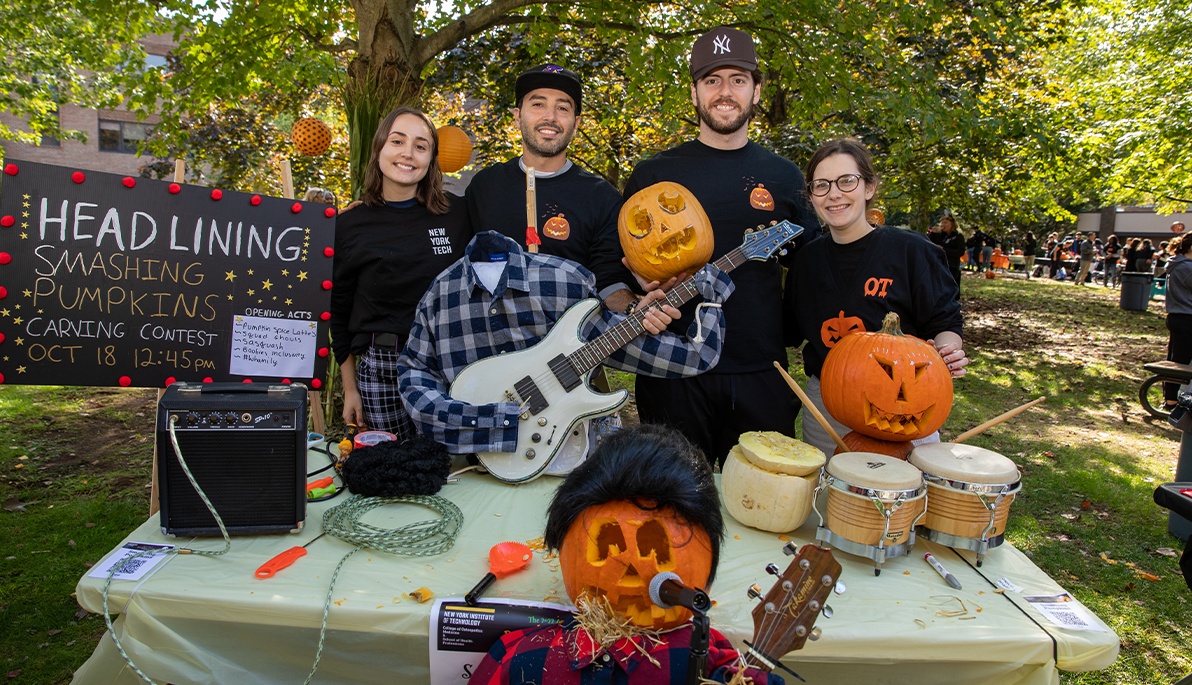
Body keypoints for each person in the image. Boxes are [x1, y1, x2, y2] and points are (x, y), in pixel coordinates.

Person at [619, 26, 820, 467]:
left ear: (756, 91)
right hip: (671, 366)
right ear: (694, 93)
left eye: (737, 79)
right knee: (671, 498)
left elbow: (817, 266)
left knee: (763, 502)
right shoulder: (653, 175)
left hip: (761, 371)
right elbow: (621, 265)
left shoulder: (785, 176)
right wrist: (636, 295)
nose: (724, 91)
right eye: (712, 80)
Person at [472, 424, 783, 685]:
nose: (630, 573)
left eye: (656, 549)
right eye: (607, 547)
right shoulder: (523, 661)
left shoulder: (517, 657)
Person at [396, 231, 733, 459]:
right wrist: (484, 421)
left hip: (565, 462)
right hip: (468, 466)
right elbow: (415, 372)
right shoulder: (441, 292)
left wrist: (710, 302)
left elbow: (691, 357)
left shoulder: (563, 280)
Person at [785, 138, 967, 457]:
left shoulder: (913, 252)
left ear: (869, 188)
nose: (834, 194)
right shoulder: (806, 260)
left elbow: (945, 322)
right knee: (833, 501)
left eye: (846, 181)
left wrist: (948, 350)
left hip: (904, 401)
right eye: (821, 185)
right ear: (811, 196)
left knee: (900, 502)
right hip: (830, 403)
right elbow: (788, 330)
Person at [329, 107, 473, 438]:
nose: (408, 153)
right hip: (381, 369)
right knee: (391, 475)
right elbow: (337, 313)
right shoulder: (349, 225)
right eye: (397, 141)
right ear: (379, 148)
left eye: (421, 146)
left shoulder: (458, 214)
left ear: (432, 158)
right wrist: (350, 389)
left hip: (450, 364)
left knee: (454, 472)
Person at [464, 64, 637, 313]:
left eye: (562, 108)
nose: (551, 117)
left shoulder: (602, 198)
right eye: (538, 104)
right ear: (517, 115)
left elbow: (609, 283)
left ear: (575, 123)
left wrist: (635, 311)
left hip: (567, 347)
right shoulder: (485, 187)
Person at [1164, 233, 1192, 409]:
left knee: (1175, 360)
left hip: (1178, 316)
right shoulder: (1186, 267)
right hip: (1186, 317)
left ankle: (1171, 398)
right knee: (1179, 363)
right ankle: (1172, 401)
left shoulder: (1177, 264)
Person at [928, 214, 965, 296]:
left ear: (952, 224)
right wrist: (933, 234)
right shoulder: (940, 236)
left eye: (946, 222)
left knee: (950, 289)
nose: (943, 225)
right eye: (942, 222)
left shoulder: (958, 236)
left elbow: (960, 251)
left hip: (952, 266)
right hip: (939, 265)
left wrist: (944, 250)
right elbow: (930, 244)